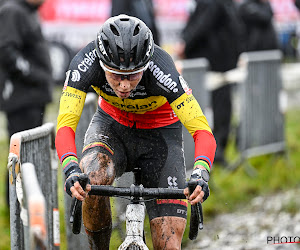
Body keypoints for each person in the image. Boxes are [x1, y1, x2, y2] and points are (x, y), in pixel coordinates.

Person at [55, 15, 216, 249]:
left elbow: (202, 131)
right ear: (101, 64)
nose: (124, 85)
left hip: (160, 135)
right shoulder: (85, 63)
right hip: (112, 128)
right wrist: (70, 167)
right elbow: (65, 126)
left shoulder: (162, 69)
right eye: (116, 76)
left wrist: (201, 172)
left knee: (168, 244)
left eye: (133, 75)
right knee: (92, 178)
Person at [176, 0, 243, 166]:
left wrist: (186, 44)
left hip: (216, 64)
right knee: (210, 110)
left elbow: (202, 24)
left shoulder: (214, 3)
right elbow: (200, 24)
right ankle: (209, 153)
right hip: (213, 64)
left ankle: (215, 153)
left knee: (218, 109)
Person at [0, 0, 53, 205]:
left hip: (32, 97)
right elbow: (5, 50)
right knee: (21, 155)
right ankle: (16, 207)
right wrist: (32, 74)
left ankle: (25, 206)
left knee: (29, 155)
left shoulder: (27, 12)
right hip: (22, 99)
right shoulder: (13, 11)